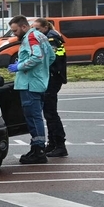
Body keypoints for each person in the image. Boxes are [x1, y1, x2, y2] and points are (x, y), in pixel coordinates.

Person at [7, 15, 55, 164]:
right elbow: (51, 57)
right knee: (36, 117)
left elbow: (36, 57)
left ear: (23, 27)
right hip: (39, 82)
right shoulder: (41, 36)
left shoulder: (31, 37)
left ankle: (38, 150)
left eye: (15, 30)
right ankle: (36, 147)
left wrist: (20, 67)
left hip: (29, 84)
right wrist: (42, 72)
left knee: (33, 118)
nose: (14, 34)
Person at [33, 17, 68, 157]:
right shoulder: (49, 37)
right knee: (48, 112)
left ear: (45, 28)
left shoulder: (51, 39)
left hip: (53, 78)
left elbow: (49, 59)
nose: (35, 32)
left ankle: (60, 145)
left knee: (51, 113)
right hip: (52, 76)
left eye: (37, 29)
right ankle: (52, 144)